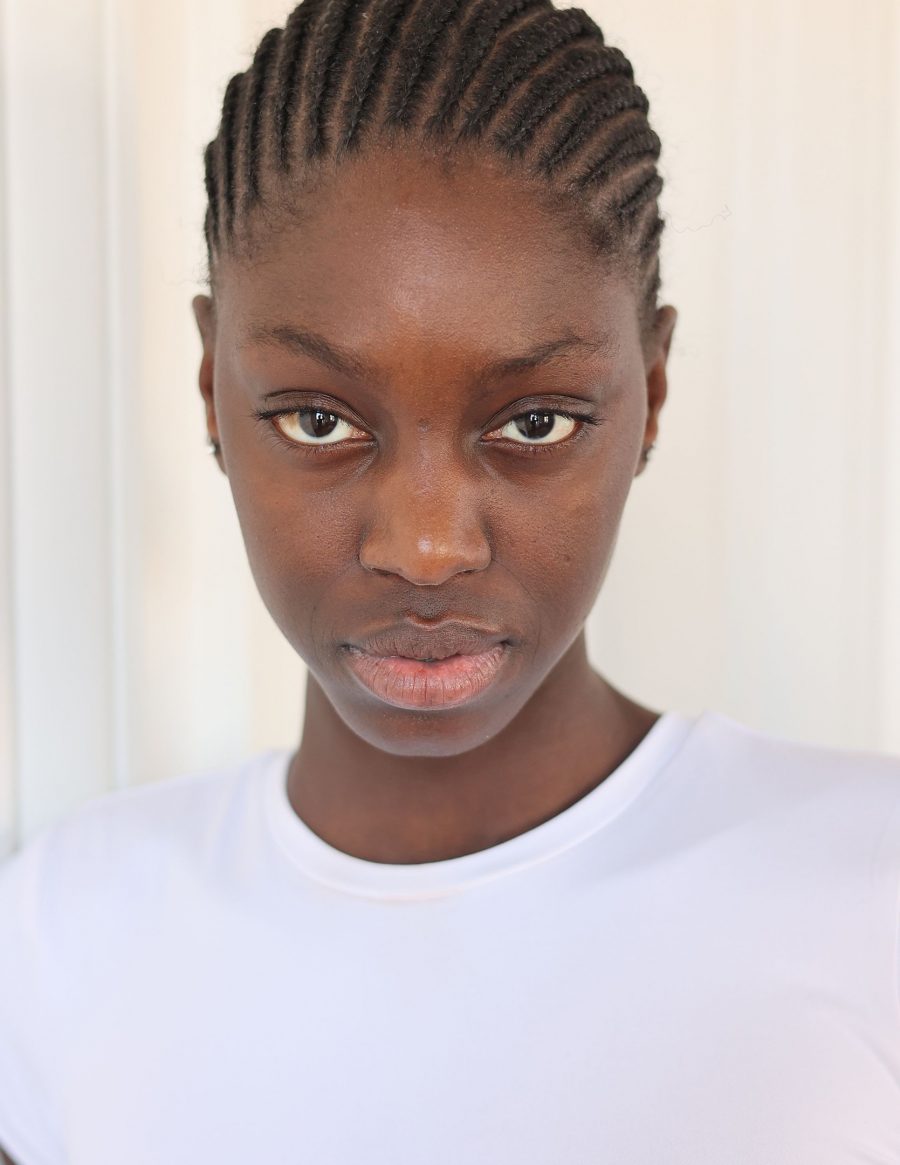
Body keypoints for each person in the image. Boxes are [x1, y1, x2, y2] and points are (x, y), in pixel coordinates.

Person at [1, 1, 899, 1161]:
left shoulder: (870, 886)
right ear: (212, 386)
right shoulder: (60, 938)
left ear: (652, 394)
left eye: (535, 421)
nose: (427, 549)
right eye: (317, 419)